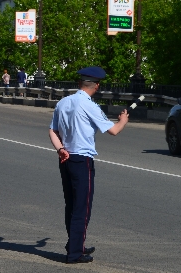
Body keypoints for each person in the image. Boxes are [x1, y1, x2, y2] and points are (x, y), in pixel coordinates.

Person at [48, 66, 129, 264]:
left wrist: (60, 149)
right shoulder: (89, 105)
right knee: (82, 208)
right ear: (97, 85)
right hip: (82, 160)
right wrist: (123, 120)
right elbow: (113, 130)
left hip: (65, 159)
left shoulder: (64, 102)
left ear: (80, 83)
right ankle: (75, 253)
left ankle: (76, 244)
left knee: (72, 205)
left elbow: (52, 131)